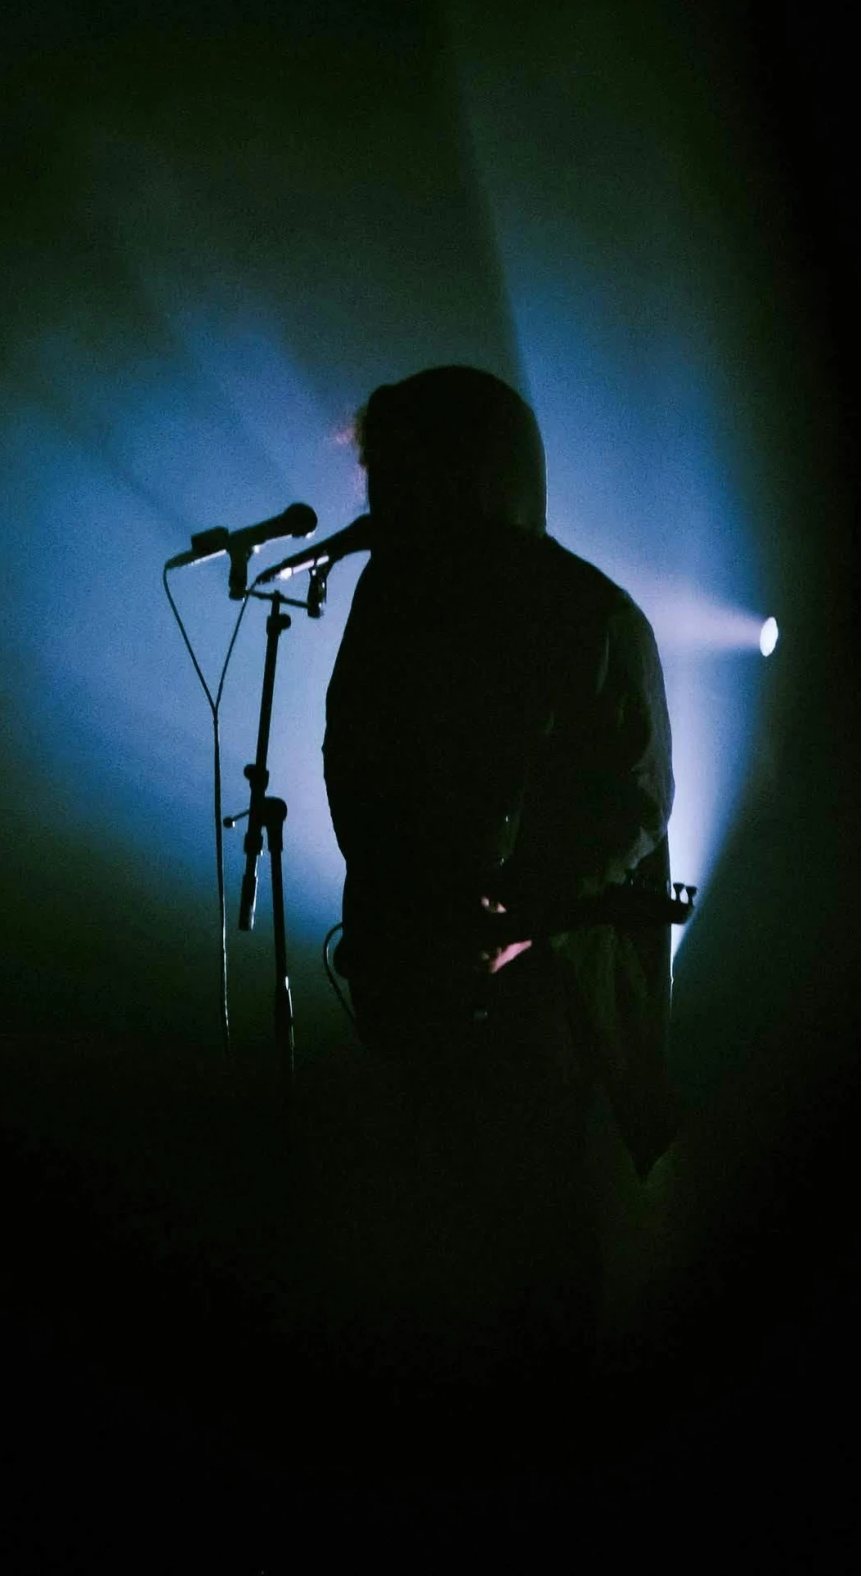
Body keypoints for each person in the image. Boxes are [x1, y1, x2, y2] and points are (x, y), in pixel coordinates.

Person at [309, 364, 676, 1383]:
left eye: (398, 472)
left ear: (462, 473)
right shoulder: (394, 596)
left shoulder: (591, 618)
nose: (378, 498)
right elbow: (352, 755)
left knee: (537, 1257)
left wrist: (528, 909)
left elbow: (635, 805)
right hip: (419, 983)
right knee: (428, 1253)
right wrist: (398, 896)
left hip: (542, 1003)